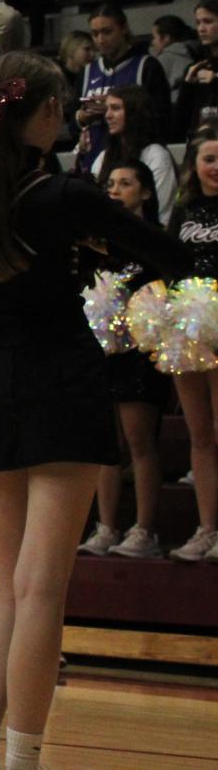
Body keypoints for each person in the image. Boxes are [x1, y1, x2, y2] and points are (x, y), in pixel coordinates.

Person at [0, 55, 192, 769]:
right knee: (41, 590)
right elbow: (168, 252)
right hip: (61, 386)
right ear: (42, 114)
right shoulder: (62, 195)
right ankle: (22, 757)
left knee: (6, 592)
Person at [74, 162, 173, 562]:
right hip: (102, 355)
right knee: (105, 442)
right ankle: (106, 526)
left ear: (146, 193)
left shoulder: (154, 242)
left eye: (126, 183)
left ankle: (145, 529)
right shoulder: (98, 246)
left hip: (141, 353)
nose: (115, 189)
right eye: (110, 183)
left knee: (138, 440)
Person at [168, 133, 218, 563]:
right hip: (187, 326)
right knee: (199, 434)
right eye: (209, 158)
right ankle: (206, 529)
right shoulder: (184, 209)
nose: (215, 167)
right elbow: (168, 261)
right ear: (195, 163)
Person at [75, 4, 172, 153]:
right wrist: (82, 117)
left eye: (107, 32)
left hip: (133, 155)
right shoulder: (88, 71)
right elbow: (72, 122)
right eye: (94, 34)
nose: (100, 40)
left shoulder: (146, 66)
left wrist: (114, 108)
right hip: (94, 156)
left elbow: (162, 117)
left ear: (124, 28)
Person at [75, 85, 175, 211]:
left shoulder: (156, 155)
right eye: (107, 109)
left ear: (135, 112)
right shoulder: (104, 156)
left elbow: (162, 211)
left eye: (115, 108)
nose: (107, 115)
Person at [175, 0, 218, 140]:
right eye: (198, 23)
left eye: (208, 21)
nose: (201, 28)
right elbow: (179, 123)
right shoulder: (196, 68)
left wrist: (215, 80)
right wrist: (187, 86)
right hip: (198, 147)